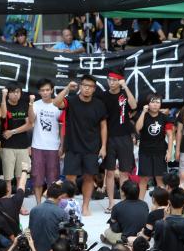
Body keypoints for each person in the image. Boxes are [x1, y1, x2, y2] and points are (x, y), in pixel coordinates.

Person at [54, 76, 108, 216]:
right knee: (70, 178)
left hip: (92, 147)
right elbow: (56, 102)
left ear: (94, 89)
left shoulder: (99, 104)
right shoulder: (71, 101)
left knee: (89, 177)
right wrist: (67, 88)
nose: (87, 88)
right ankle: (68, 206)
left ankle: (85, 206)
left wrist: (103, 147)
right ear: (80, 86)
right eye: (84, 85)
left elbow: (103, 126)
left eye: (90, 86)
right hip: (73, 146)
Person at [101, 70, 137, 212]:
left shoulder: (124, 94)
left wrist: (126, 87)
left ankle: (123, 201)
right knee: (109, 172)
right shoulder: (103, 96)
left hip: (125, 136)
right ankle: (111, 202)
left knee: (124, 172)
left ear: (120, 81)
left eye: (115, 80)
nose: (112, 82)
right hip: (109, 137)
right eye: (110, 79)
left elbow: (134, 106)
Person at [29, 78, 62, 204]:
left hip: (54, 146)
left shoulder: (58, 105)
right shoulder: (36, 104)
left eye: (48, 90)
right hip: (37, 145)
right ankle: (38, 204)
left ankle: (51, 203)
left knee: (53, 179)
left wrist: (62, 146)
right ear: (39, 92)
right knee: (37, 177)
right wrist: (31, 104)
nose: (45, 92)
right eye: (42, 90)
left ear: (52, 90)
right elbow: (31, 120)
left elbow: (63, 126)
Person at [136, 94, 174, 199]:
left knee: (160, 179)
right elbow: (138, 128)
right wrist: (143, 112)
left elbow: (170, 135)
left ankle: (161, 203)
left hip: (160, 151)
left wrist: (170, 152)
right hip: (145, 151)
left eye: (157, 102)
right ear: (148, 104)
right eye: (152, 102)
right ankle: (140, 203)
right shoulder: (143, 115)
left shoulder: (165, 118)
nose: (155, 105)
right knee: (143, 179)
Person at [0, 83, 33, 199]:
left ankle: (19, 203)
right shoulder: (4, 105)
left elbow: (29, 124)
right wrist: (3, 98)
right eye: (13, 92)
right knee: (8, 177)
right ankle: (8, 201)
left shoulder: (24, 105)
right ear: (8, 93)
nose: (15, 94)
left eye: (18, 92)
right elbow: (3, 115)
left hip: (23, 146)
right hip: (7, 146)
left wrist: (12, 132)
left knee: (21, 177)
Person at [0, 166, 29, 245]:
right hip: (15, 237)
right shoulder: (15, 201)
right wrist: (24, 170)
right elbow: (22, 185)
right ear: (7, 190)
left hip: (1, 238)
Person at [28, 182, 68, 251]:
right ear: (60, 197)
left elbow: (30, 232)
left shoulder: (33, 210)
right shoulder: (62, 213)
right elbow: (65, 236)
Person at [103, 180, 148, 244]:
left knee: (107, 231)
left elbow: (113, 223)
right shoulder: (144, 204)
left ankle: (117, 241)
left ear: (123, 193)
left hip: (126, 237)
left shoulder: (117, 206)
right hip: (142, 236)